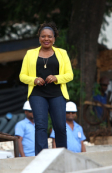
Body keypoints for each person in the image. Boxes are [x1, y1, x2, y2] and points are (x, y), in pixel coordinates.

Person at [19, 22, 73, 155]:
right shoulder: (30, 54)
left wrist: (57, 78)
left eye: (49, 36)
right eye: (43, 36)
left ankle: (62, 155)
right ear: (39, 38)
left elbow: (69, 75)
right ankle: (41, 157)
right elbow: (22, 76)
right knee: (41, 126)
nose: (46, 39)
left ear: (54, 39)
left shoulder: (62, 53)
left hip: (57, 93)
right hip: (37, 94)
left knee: (60, 126)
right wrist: (34, 80)